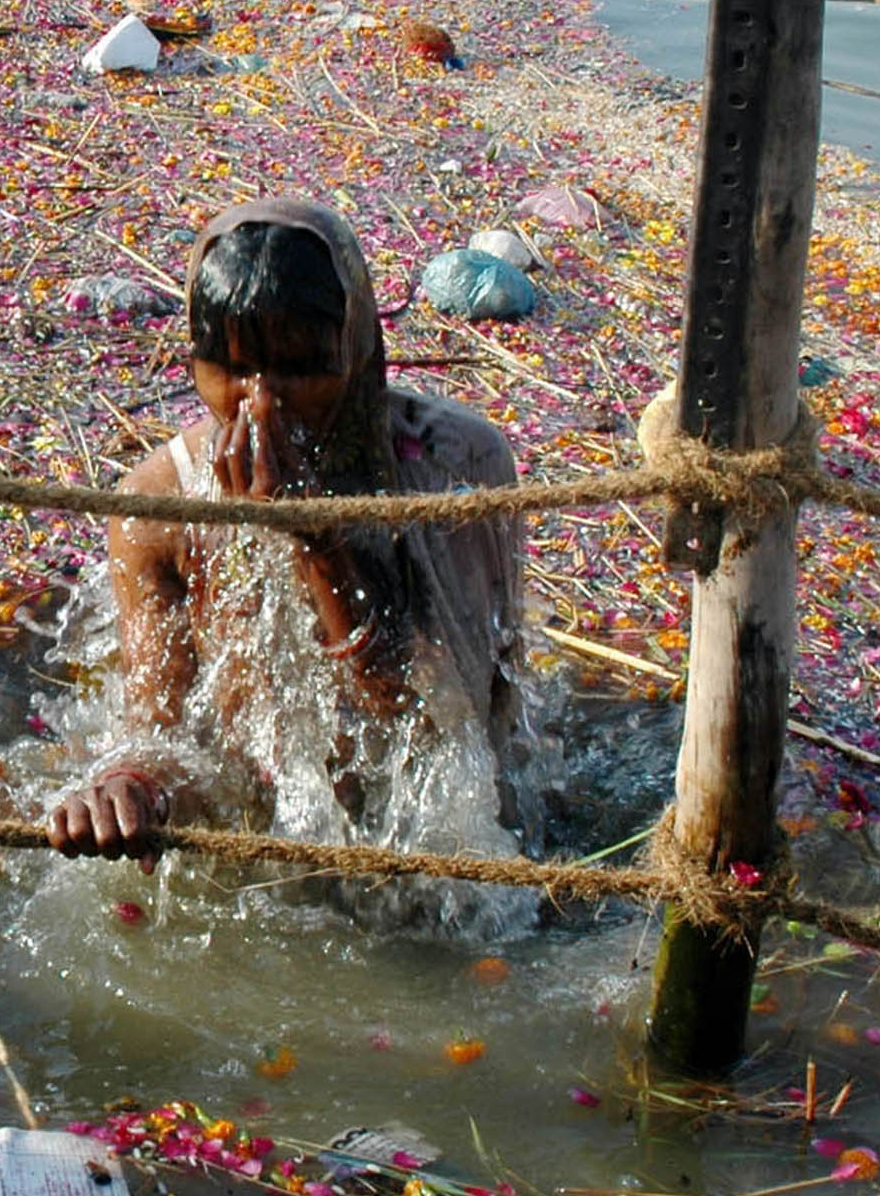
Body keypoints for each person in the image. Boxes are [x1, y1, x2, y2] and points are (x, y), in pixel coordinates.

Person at [46, 198, 531, 875]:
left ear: (356, 353)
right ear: (195, 363)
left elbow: (443, 733)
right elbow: (163, 734)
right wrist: (130, 788)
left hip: (432, 852)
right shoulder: (158, 508)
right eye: (234, 371)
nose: (263, 403)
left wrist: (314, 538)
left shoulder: (456, 466)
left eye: (301, 370)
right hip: (263, 838)